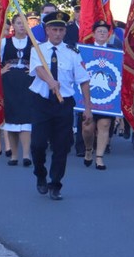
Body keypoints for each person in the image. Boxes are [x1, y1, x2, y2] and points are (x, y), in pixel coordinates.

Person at [29, 10, 93, 200]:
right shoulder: (37, 49)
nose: (57, 33)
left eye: (61, 30)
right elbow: (39, 69)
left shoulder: (72, 53)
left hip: (63, 103)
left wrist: (88, 107)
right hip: (41, 102)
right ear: (47, 30)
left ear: (65, 32)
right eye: (54, 29)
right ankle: (40, 173)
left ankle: (55, 183)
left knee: (61, 146)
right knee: (38, 144)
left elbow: (84, 80)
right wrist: (50, 82)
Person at [81, 20, 120, 170]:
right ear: (94, 34)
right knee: (87, 128)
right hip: (88, 97)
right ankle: (88, 149)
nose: (102, 33)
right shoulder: (85, 50)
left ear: (108, 34)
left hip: (107, 99)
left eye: (105, 31)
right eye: (99, 31)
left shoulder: (115, 50)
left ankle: (99, 158)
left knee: (104, 124)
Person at [0, 13, 35, 167]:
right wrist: (1, 71)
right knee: (12, 119)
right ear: (13, 25)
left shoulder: (35, 43)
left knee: (26, 119)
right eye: (19, 23)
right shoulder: (4, 43)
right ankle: (14, 155)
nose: (22, 26)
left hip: (27, 83)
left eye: (24, 23)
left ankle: (26, 155)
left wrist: (32, 69)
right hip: (10, 83)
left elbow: (41, 63)